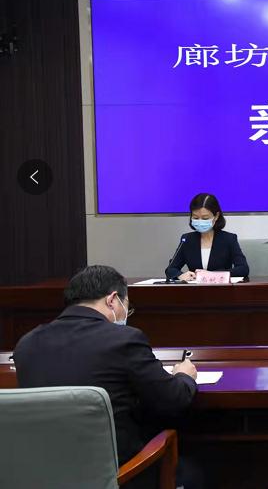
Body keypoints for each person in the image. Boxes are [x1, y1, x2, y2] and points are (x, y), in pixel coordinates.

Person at [12, 265, 200, 488]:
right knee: (194, 473)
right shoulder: (123, 340)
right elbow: (173, 399)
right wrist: (184, 376)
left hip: (44, 477)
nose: (126, 314)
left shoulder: (27, 344)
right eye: (127, 306)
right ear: (112, 300)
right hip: (120, 475)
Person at [165, 192, 249, 281]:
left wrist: (212, 275)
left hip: (221, 288)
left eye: (205, 218)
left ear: (216, 216)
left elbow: (243, 269)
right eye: (195, 218)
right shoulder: (187, 239)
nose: (200, 221)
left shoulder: (229, 239)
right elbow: (170, 269)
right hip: (195, 288)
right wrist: (180, 275)